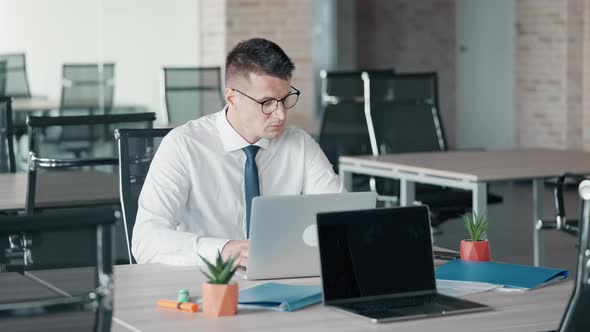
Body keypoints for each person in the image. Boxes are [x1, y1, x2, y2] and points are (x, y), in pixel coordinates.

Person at [132, 38, 343, 267]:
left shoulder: (299, 144)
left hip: (283, 276)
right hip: (208, 283)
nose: (281, 114)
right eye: (267, 102)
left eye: (284, 99)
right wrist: (224, 250)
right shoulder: (183, 146)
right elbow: (145, 241)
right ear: (232, 97)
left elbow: (342, 215)